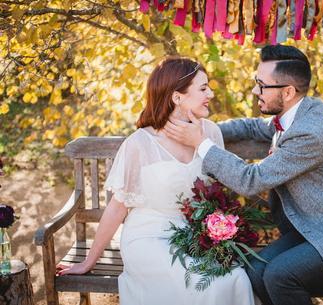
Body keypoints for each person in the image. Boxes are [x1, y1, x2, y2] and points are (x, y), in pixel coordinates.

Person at [164, 45, 323, 305]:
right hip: (316, 227)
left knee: (280, 276)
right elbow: (252, 126)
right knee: (256, 271)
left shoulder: (311, 132)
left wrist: (201, 144)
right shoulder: (297, 113)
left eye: (261, 85)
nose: (255, 91)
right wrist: (204, 131)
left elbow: (250, 180)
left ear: (288, 92)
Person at [57, 57, 256, 305]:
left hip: (194, 237)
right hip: (148, 238)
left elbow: (220, 188)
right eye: (203, 88)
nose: (211, 94)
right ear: (177, 97)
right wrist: (89, 261)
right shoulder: (139, 143)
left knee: (235, 277)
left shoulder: (211, 133)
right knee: (200, 281)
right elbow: (117, 208)